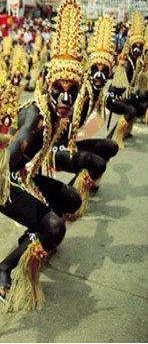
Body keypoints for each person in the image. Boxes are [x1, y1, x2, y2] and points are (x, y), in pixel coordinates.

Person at [0, 0, 83, 311]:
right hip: (3, 179)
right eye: (60, 90)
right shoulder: (37, 119)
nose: (65, 97)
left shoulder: (57, 114)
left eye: (72, 91)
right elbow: (13, 152)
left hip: (23, 175)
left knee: (71, 200)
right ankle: (2, 271)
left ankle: (33, 234)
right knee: (54, 227)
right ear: (48, 87)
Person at [53, 15, 119, 219]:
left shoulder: (97, 92)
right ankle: (73, 203)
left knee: (111, 147)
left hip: (69, 143)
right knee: (97, 163)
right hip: (55, 149)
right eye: (95, 70)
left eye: (104, 71)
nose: (99, 76)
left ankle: (85, 180)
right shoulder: (81, 92)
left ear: (110, 73)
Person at [106, 11, 146, 148]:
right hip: (113, 98)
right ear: (130, 47)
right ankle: (116, 137)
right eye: (135, 46)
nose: (137, 49)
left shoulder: (137, 62)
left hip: (122, 96)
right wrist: (133, 96)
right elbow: (121, 88)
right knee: (131, 110)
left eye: (140, 47)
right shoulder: (127, 64)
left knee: (139, 106)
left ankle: (126, 132)